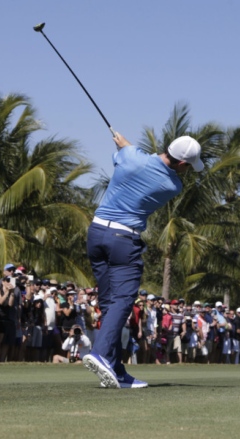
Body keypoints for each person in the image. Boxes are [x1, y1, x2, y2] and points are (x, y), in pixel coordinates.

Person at [83, 132, 203, 389]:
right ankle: (99, 354)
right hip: (123, 240)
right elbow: (146, 162)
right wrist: (127, 145)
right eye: (189, 167)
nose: (188, 172)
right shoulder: (172, 186)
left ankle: (116, 370)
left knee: (108, 303)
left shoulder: (131, 157)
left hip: (96, 232)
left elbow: (131, 157)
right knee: (123, 300)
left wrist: (124, 144)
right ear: (182, 164)